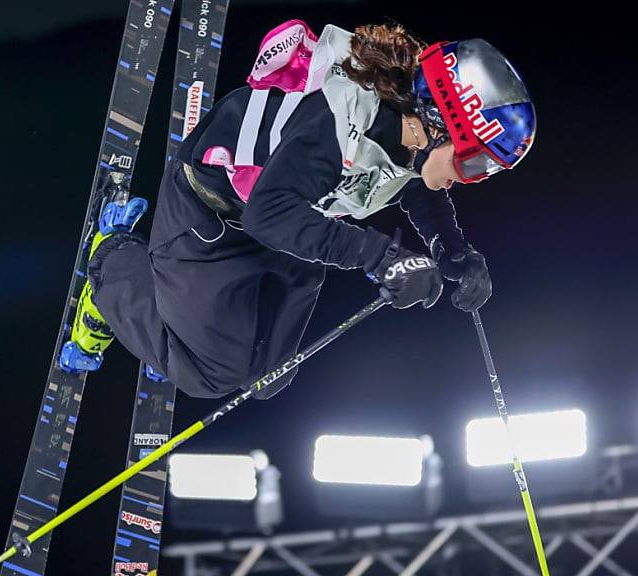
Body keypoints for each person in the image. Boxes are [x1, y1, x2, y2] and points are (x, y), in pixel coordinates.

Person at [61, 20, 536, 400]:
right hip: (209, 218)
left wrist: (453, 252)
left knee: (271, 377)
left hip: (285, 224)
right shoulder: (335, 122)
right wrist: (383, 258)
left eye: (487, 171)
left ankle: (190, 325)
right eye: (473, 161)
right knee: (214, 375)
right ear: (436, 120)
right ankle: (112, 264)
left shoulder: (406, 131)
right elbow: (266, 214)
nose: (471, 177)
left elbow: (414, 187)